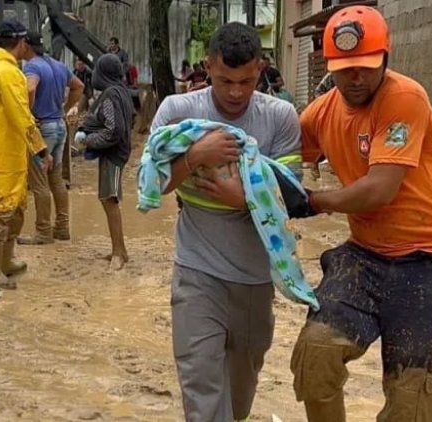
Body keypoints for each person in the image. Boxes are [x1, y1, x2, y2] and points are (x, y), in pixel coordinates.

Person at [291, 6, 432, 422]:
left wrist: (315, 201)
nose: (356, 78)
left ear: (385, 57)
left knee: (414, 405)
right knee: (315, 356)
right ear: (329, 66)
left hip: (429, 264)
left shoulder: (405, 98)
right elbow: (279, 163)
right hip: (364, 257)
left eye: (366, 67)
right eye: (345, 69)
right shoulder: (319, 114)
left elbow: (379, 190)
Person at [150, 22, 302, 421]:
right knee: (202, 390)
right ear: (208, 67)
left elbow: (292, 196)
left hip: (255, 280)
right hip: (197, 273)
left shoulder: (281, 117)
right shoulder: (179, 111)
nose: (235, 92)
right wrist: (196, 155)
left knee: (240, 391)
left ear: (261, 69)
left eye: (246, 81)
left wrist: (246, 200)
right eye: (224, 81)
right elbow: (156, 182)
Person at [0, 20, 50, 290]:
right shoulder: (8, 73)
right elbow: (21, 114)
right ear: (22, 43)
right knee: (3, 210)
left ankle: (5, 260)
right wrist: (40, 148)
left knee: (14, 207)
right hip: (3, 152)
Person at [18, 32, 84, 245]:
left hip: (42, 127)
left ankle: (43, 231)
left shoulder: (32, 66)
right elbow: (79, 86)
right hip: (59, 125)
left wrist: (29, 114)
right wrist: (64, 109)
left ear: (26, 45)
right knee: (56, 178)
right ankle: (62, 227)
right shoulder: (58, 65)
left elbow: (29, 87)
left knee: (39, 181)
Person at [73, 54, 134, 271]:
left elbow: (113, 129)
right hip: (116, 151)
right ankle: (119, 249)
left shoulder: (110, 95)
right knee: (107, 199)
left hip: (114, 153)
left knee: (110, 199)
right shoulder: (121, 91)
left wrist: (88, 141)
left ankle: (119, 252)